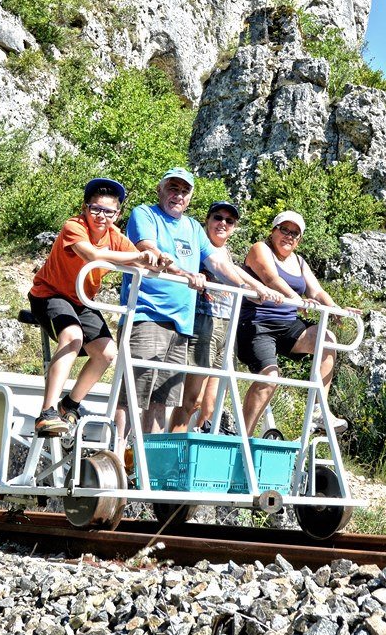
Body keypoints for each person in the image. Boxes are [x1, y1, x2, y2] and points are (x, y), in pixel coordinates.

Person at [27, 177, 168, 438]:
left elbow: (142, 263)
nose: (101, 216)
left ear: (117, 214)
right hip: (50, 294)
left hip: (81, 300)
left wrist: (158, 261)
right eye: (96, 209)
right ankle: (47, 413)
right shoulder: (74, 226)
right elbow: (91, 254)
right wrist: (139, 256)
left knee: (107, 352)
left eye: (109, 212)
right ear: (85, 208)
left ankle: (70, 405)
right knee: (72, 336)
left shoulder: (115, 237)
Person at [122, 168, 252, 434]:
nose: (177, 195)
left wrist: (249, 287)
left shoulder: (192, 227)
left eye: (184, 191)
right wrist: (182, 273)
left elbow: (217, 261)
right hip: (148, 314)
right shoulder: (145, 214)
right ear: (160, 190)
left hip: (181, 323)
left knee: (161, 400)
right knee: (132, 395)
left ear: (190, 197)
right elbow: (148, 248)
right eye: (172, 188)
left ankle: (148, 462)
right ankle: (116, 453)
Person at [237, 210, 344, 436]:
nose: (289, 236)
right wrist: (296, 300)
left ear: (299, 240)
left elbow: (316, 290)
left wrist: (335, 309)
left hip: (287, 325)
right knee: (270, 378)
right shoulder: (260, 249)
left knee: (327, 339)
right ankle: (243, 436)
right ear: (273, 231)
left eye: (295, 234)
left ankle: (318, 408)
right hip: (258, 323)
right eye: (284, 230)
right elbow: (270, 279)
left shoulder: (299, 261)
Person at [179, 200, 279, 433]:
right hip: (202, 321)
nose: (222, 223)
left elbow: (234, 270)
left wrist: (264, 290)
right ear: (207, 220)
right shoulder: (200, 246)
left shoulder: (226, 253)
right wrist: (252, 287)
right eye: (217, 217)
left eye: (229, 220)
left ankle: (199, 451)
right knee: (192, 399)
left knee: (212, 404)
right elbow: (225, 270)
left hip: (226, 326)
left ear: (234, 227)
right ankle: (172, 455)